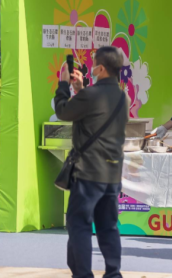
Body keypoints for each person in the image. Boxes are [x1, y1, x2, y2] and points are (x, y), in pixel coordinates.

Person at [55, 47, 129, 278]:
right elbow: (97, 113)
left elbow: (63, 112)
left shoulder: (91, 95)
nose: (92, 68)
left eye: (95, 64)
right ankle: (113, 273)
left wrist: (63, 85)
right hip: (112, 174)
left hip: (88, 172)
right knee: (108, 227)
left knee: (79, 225)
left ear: (101, 68)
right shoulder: (123, 97)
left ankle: (83, 274)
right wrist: (80, 89)